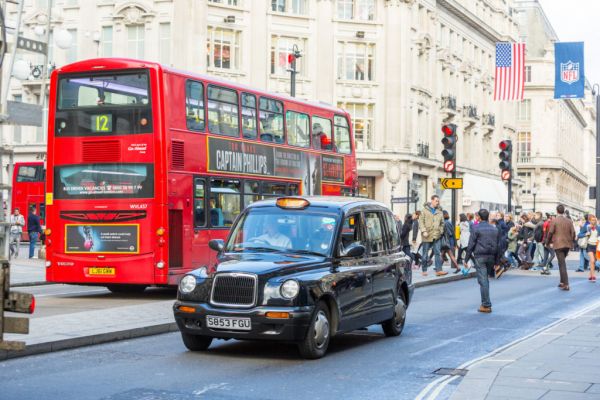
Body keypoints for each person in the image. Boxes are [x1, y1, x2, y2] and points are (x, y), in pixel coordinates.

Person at [463, 209, 502, 313]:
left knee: (483, 280)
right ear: (488, 216)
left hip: (480, 256)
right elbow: (499, 246)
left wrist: (466, 259)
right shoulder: (494, 229)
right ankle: (485, 302)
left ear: (478, 217)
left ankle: (486, 304)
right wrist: (497, 262)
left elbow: (471, 245)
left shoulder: (475, 228)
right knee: (485, 280)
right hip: (491, 257)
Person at [544, 204, 576, 291]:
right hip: (567, 244)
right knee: (561, 262)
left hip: (558, 244)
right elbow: (573, 233)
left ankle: (566, 284)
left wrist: (547, 242)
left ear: (557, 211)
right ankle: (562, 281)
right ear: (563, 210)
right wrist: (571, 241)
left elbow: (550, 232)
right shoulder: (569, 221)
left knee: (562, 264)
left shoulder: (554, 221)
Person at [419, 195, 447, 277]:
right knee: (425, 254)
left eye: (438, 201)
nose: (437, 202)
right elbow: (421, 222)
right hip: (427, 236)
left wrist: (440, 231)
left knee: (437, 253)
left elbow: (442, 223)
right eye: (436, 201)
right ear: (432, 200)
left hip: (437, 236)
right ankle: (424, 269)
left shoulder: (440, 211)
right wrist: (423, 231)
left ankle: (439, 270)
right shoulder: (424, 210)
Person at [584, 215, 598, 283]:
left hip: (596, 246)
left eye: (594, 220)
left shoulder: (598, 227)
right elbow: (580, 234)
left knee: (594, 261)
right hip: (589, 245)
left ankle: (590, 275)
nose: (593, 221)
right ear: (590, 220)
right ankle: (593, 276)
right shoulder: (587, 227)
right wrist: (586, 234)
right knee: (592, 261)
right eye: (592, 220)